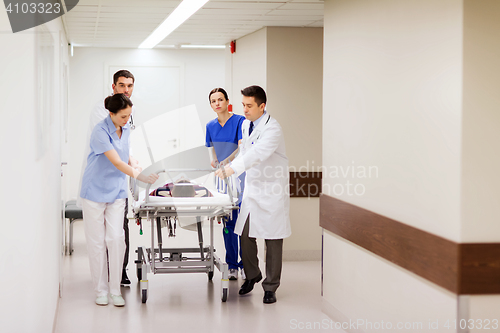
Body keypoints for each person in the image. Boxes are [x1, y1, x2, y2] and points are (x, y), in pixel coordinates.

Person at [215, 85, 291, 304]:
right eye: (243, 105)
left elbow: (258, 153)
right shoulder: (247, 125)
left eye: (249, 106)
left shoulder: (273, 129)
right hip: (253, 189)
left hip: (272, 190)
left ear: (262, 106)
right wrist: (229, 164)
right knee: (245, 234)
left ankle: (270, 287)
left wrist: (233, 169)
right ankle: (252, 274)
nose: (244, 110)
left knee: (273, 239)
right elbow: (246, 151)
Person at [80, 93, 158, 307]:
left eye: (129, 116)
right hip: (94, 191)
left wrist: (134, 160)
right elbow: (115, 160)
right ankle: (100, 290)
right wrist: (139, 175)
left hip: (116, 191)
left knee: (116, 238)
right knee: (97, 243)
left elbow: (125, 152)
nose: (127, 120)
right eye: (123, 116)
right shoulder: (100, 131)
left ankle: (115, 289)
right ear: (111, 113)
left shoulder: (123, 129)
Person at [78, 69, 137, 286]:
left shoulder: (127, 113)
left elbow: (127, 146)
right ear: (113, 87)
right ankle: (103, 282)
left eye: (130, 86)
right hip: (100, 181)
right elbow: (115, 154)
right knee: (98, 238)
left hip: (118, 183)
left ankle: (119, 273)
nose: (126, 90)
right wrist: (136, 171)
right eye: (122, 85)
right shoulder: (102, 112)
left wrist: (134, 163)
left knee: (119, 233)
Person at [205, 87, 246, 280]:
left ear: (227, 101)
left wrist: (227, 162)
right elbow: (211, 149)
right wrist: (215, 161)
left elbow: (240, 148)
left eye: (220, 99)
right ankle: (232, 265)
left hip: (237, 174)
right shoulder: (210, 126)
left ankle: (245, 263)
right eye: (214, 101)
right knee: (228, 221)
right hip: (220, 176)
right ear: (211, 105)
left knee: (242, 220)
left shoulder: (239, 121)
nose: (217, 103)